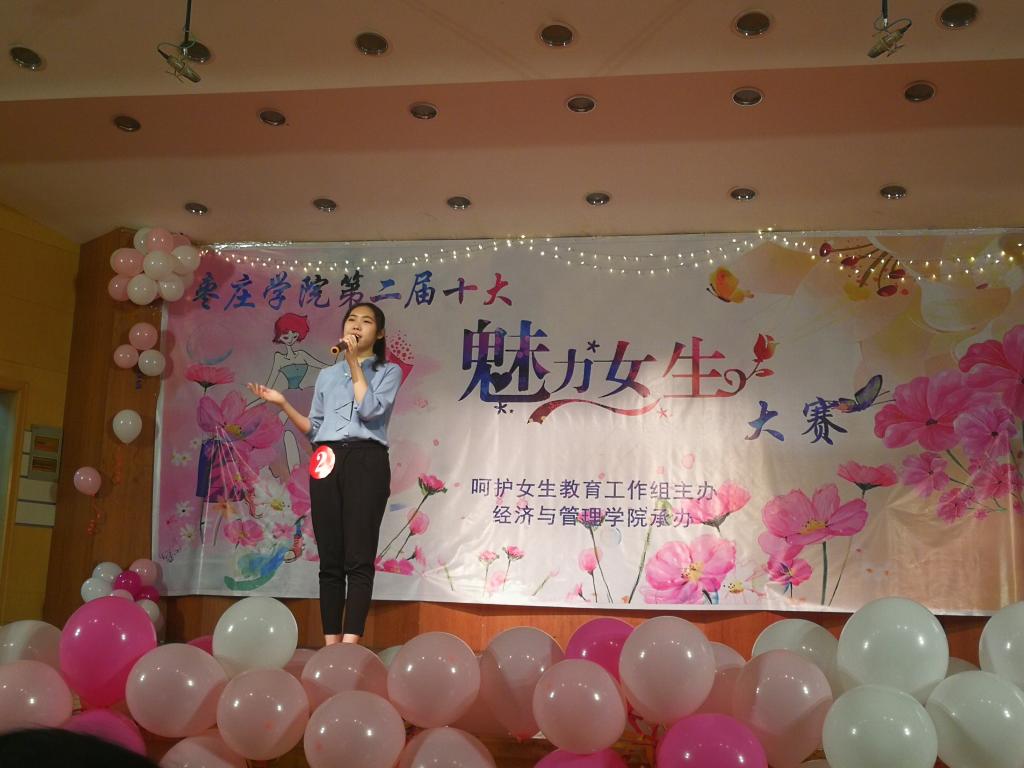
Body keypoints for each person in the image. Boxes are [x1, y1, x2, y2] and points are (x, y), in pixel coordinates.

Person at [247, 302, 402, 646]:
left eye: (366, 322)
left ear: (379, 333)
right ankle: (331, 645)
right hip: (326, 458)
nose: (356, 326)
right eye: (351, 320)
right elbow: (315, 430)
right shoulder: (327, 376)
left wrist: (353, 363)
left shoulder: (388, 371)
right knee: (330, 557)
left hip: (366, 458)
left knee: (358, 556)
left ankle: (350, 646)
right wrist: (283, 403)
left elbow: (370, 410)